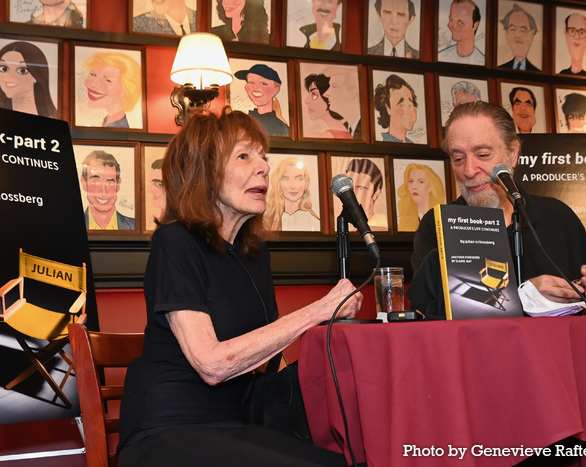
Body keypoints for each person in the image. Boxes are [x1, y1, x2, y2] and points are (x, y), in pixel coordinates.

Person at [117, 108, 362, 467]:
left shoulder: (254, 255)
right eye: (245, 155)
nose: (263, 166)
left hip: (235, 424)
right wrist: (321, 310)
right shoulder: (175, 242)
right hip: (166, 428)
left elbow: (265, 355)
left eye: (263, 156)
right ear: (204, 171)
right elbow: (212, 365)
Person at [408, 101, 586, 329]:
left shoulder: (559, 218)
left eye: (483, 154)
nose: (468, 170)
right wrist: (525, 296)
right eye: (458, 158)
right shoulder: (437, 224)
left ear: (513, 153)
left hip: (555, 362)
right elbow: (428, 323)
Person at [83, 51, 142, 128]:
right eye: (93, 74)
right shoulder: (107, 121)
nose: (93, 84)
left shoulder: (120, 129)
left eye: (107, 80)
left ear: (126, 90)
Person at [80, 150, 135, 230]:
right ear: (84, 183)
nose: (103, 192)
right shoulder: (70, 226)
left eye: (109, 183)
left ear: (118, 184)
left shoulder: (134, 226)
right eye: (95, 182)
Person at [0, 41, 57, 118]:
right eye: (4, 69)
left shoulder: (52, 121)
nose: (10, 76)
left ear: (36, 75)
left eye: (22, 70)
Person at [263, 158, 321, 232]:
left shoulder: (314, 222)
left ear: (306, 183)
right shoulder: (268, 220)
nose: (293, 186)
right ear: (278, 182)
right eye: (285, 179)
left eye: (299, 179)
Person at [234, 64, 289, 137]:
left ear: (276, 90)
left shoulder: (283, 129)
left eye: (263, 83)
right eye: (251, 82)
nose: (255, 87)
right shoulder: (241, 123)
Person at [396, 163, 444, 232]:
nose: (414, 187)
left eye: (420, 182)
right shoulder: (403, 223)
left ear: (431, 186)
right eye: (411, 181)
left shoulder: (440, 219)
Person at [303, 73, 352, 139]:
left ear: (328, 97)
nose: (306, 101)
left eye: (314, 95)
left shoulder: (328, 136)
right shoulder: (347, 130)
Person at [344, 158, 387, 231]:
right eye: (349, 188)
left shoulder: (381, 227)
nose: (352, 193)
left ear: (376, 193)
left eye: (360, 188)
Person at [373, 74, 417, 143]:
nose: (409, 111)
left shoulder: (412, 144)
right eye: (401, 105)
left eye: (410, 105)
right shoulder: (383, 143)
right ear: (388, 108)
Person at [438, 0, 484, 65]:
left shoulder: (482, 62)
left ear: (475, 25)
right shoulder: (440, 57)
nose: (453, 26)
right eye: (451, 20)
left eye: (461, 22)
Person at [322, 65, 362, 139]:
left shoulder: (364, 129)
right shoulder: (348, 129)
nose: (326, 94)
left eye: (334, 86)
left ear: (352, 92)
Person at [498, 4, 540, 71]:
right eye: (512, 29)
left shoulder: (538, 74)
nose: (517, 35)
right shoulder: (499, 70)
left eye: (523, 30)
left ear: (532, 36)